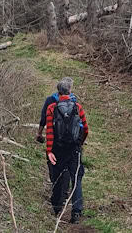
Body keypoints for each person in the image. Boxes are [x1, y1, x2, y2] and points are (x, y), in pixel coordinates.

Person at [41, 77, 89, 223]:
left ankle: (56, 207)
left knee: (58, 176)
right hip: (74, 149)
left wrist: (49, 151)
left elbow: (49, 131)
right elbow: (85, 129)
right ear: (69, 91)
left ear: (58, 92)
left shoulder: (51, 108)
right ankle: (76, 211)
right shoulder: (78, 107)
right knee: (76, 178)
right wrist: (79, 143)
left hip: (57, 149)